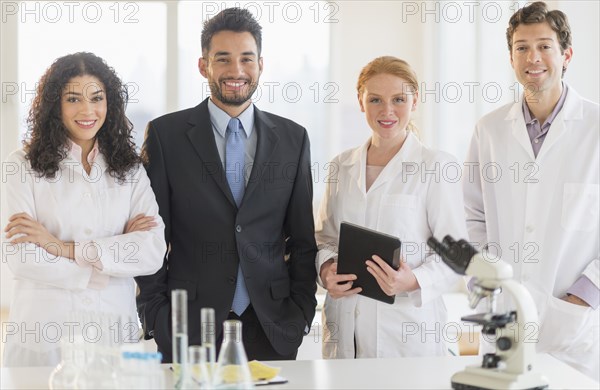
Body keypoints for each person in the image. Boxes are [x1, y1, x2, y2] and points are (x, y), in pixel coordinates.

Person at [135, 8, 317, 362]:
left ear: (261, 64)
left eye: (247, 59)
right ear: (203, 66)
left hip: (272, 326)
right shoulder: (165, 136)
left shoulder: (294, 139)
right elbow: (151, 238)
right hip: (187, 327)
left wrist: (300, 315)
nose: (236, 71)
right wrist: (157, 319)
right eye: (223, 59)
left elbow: (303, 241)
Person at [2, 52, 166, 367]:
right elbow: (22, 258)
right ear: (55, 105)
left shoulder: (129, 169)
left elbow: (152, 251)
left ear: (110, 104)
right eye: (73, 98)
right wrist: (105, 264)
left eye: (97, 98)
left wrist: (59, 247)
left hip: (113, 332)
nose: (87, 110)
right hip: (44, 337)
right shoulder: (22, 165)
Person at [463, 1, 599, 380]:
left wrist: (583, 297)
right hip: (502, 318)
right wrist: (485, 277)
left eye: (544, 46)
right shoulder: (488, 130)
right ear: (511, 57)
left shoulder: (595, 127)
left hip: (572, 328)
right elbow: (471, 214)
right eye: (522, 47)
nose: (532, 57)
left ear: (566, 55)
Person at [315, 56, 467, 359]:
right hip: (344, 330)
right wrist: (325, 270)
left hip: (406, 335)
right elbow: (325, 239)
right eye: (375, 100)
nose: (387, 111)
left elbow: (458, 255)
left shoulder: (436, 166)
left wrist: (412, 280)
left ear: (415, 101)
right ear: (360, 101)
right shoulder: (340, 166)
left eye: (398, 99)